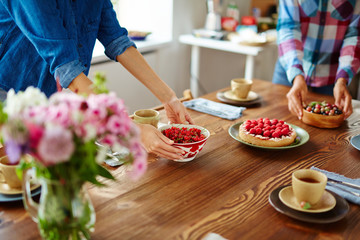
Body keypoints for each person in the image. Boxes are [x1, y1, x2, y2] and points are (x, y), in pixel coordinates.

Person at [0, 0, 193, 160]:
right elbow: (67, 68)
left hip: (43, 102)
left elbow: (117, 40)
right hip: (6, 100)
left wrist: (169, 97)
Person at [273, 0, 360, 120]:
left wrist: (342, 79)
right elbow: (288, 28)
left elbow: (355, 36)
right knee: (275, 122)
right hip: (290, 70)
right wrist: (297, 76)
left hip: (333, 79)